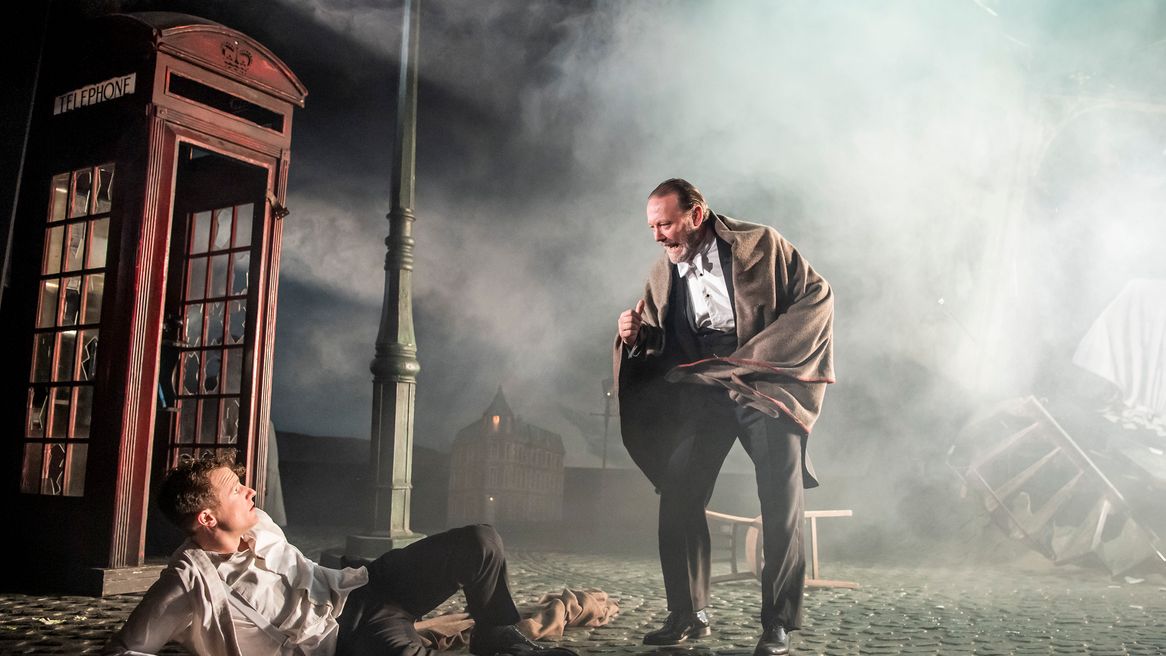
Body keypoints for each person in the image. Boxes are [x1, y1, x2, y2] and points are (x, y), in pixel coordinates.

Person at [614, 178, 834, 656]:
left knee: (781, 503)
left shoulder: (763, 245)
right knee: (678, 495)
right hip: (705, 387)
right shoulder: (663, 269)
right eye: (652, 226)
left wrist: (764, 357)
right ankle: (687, 614)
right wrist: (633, 332)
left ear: (696, 215)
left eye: (665, 223)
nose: (657, 235)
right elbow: (658, 338)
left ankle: (778, 623)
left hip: (764, 385)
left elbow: (818, 297)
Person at [104, 452, 578, 656]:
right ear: (207, 519)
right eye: (234, 490)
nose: (250, 491)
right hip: (343, 640)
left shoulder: (259, 521)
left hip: (365, 584)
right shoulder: (187, 583)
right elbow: (128, 648)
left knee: (480, 540)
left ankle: (495, 634)